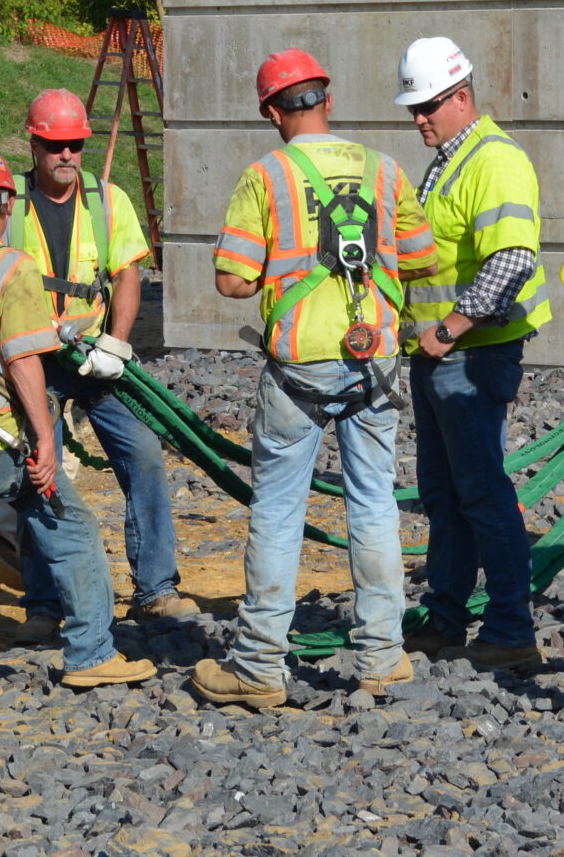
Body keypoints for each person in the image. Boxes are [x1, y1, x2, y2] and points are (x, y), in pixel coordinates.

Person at [191, 50, 434, 710]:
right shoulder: (385, 169)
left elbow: (233, 278)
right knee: (375, 504)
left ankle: (259, 664)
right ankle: (384, 656)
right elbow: (424, 254)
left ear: (273, 110)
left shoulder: (266, 175)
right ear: (328, 98)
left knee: (277, 510)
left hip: (300, 365)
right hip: (373, 362)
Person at [0, 149, 154, 711]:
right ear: (6, 205)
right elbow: (22, 361)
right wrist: (44, 437)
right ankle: (91, 655)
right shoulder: (11, 267)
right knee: (72, 529)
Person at [5, 88, 192, 639]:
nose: (66, 155)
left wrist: (116, 343)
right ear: (34, 144)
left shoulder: (108, 200)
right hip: (35, 357)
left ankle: (156, 590)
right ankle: (44, 607)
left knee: (145, 454)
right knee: (41, 473)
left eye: (75, 145)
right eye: (55, 145)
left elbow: (127, 274)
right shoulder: (9, 203)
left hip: (94, 357)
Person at [393, 36, 549, 670]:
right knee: (444, 492)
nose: (419, 119)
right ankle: (449, 615)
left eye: (429, 106)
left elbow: (512, 259)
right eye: (413, 109)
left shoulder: (494, 161)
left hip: (471, 353)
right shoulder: (453, 159)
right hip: (443, 355)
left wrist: (449, 328)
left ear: (462, 97)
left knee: (481, 491)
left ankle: (511, 626)